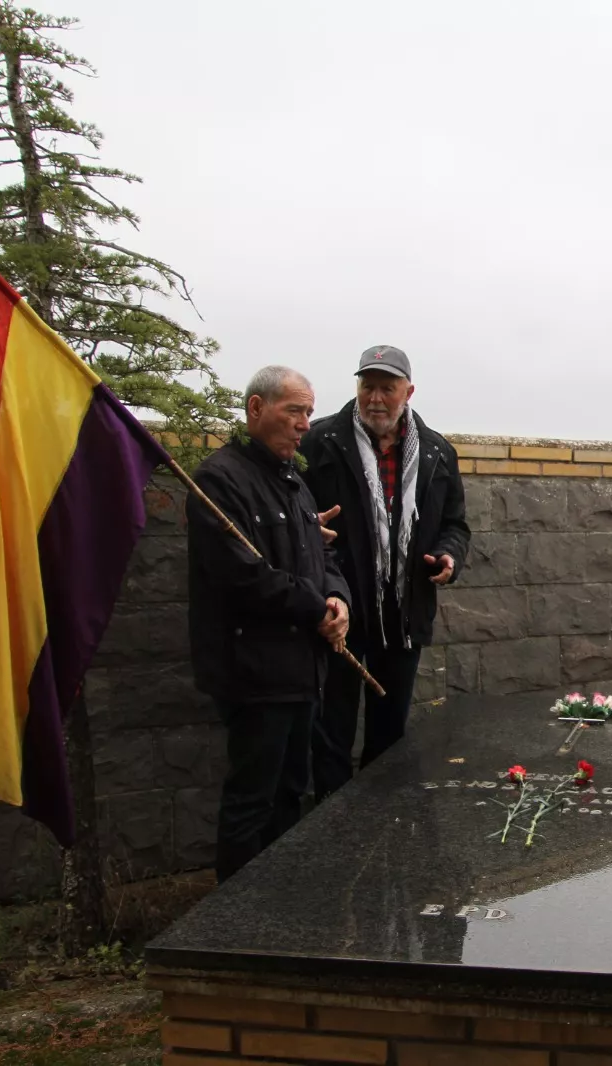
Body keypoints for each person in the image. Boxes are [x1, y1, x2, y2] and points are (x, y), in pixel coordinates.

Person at [188, 366, 351, 883]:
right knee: (252, 801)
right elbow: (245, 576)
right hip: (254, 671)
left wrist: (337, 600)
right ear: (257, 409)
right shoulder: (220, 479)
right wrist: (313, 608)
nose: (305, 423)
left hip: (302, 670)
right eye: (293, 410)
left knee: (289, 795)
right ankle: (233, 927)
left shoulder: (292, 481)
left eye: (308, 411)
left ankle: (280, 911)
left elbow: (321, 558)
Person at [300, 344, 470, 802]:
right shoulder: (319, 443)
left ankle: (382, 830)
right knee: (330, 731)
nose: (375, 398)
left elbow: (455, 525)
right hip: (340, 610)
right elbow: (297, 518)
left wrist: (448, 557)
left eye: (386, 388)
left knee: (389, 732)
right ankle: (333, 831)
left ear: (408, 392)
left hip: (404, 613)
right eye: (367, 386)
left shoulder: (437, 452)